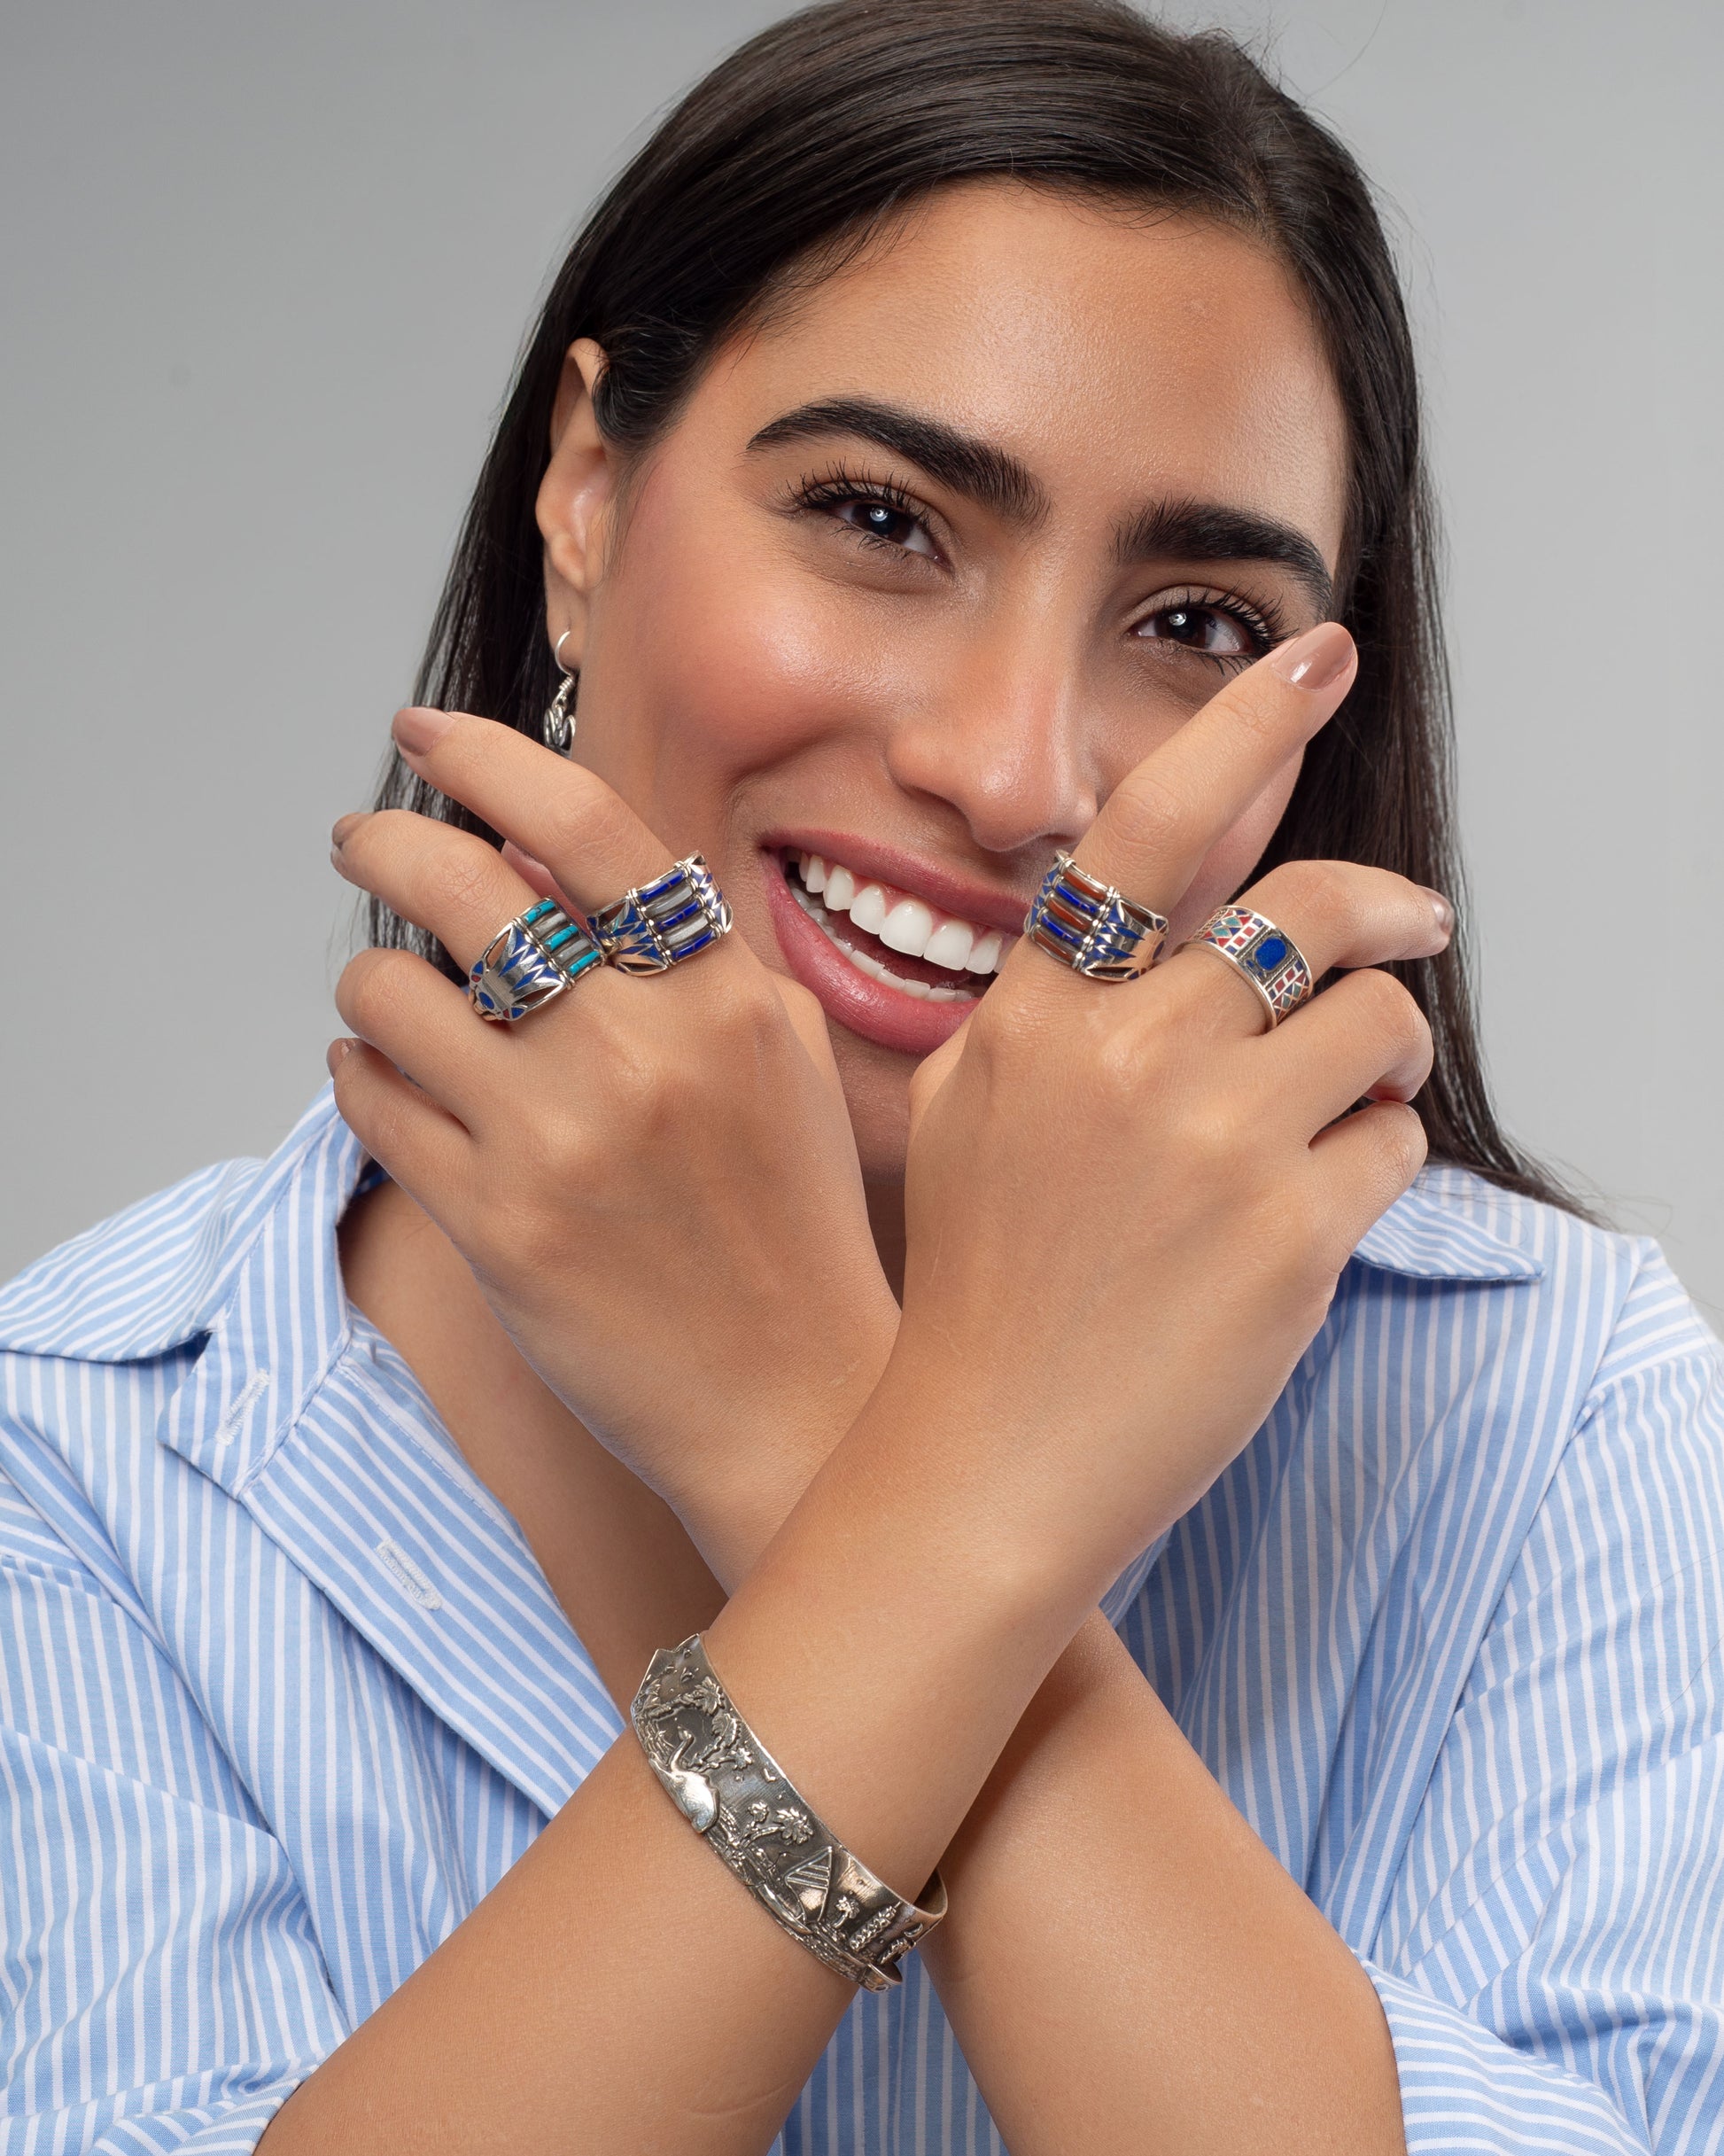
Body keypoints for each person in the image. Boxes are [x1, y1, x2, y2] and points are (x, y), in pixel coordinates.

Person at [3, 3, 1720, 2149]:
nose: (1011, 769)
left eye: (1193, 622)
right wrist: (931, 1497)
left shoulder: (1538, 1411)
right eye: (879, 516)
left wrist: (787, 1411)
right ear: (587, 491)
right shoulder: (75, 1468)